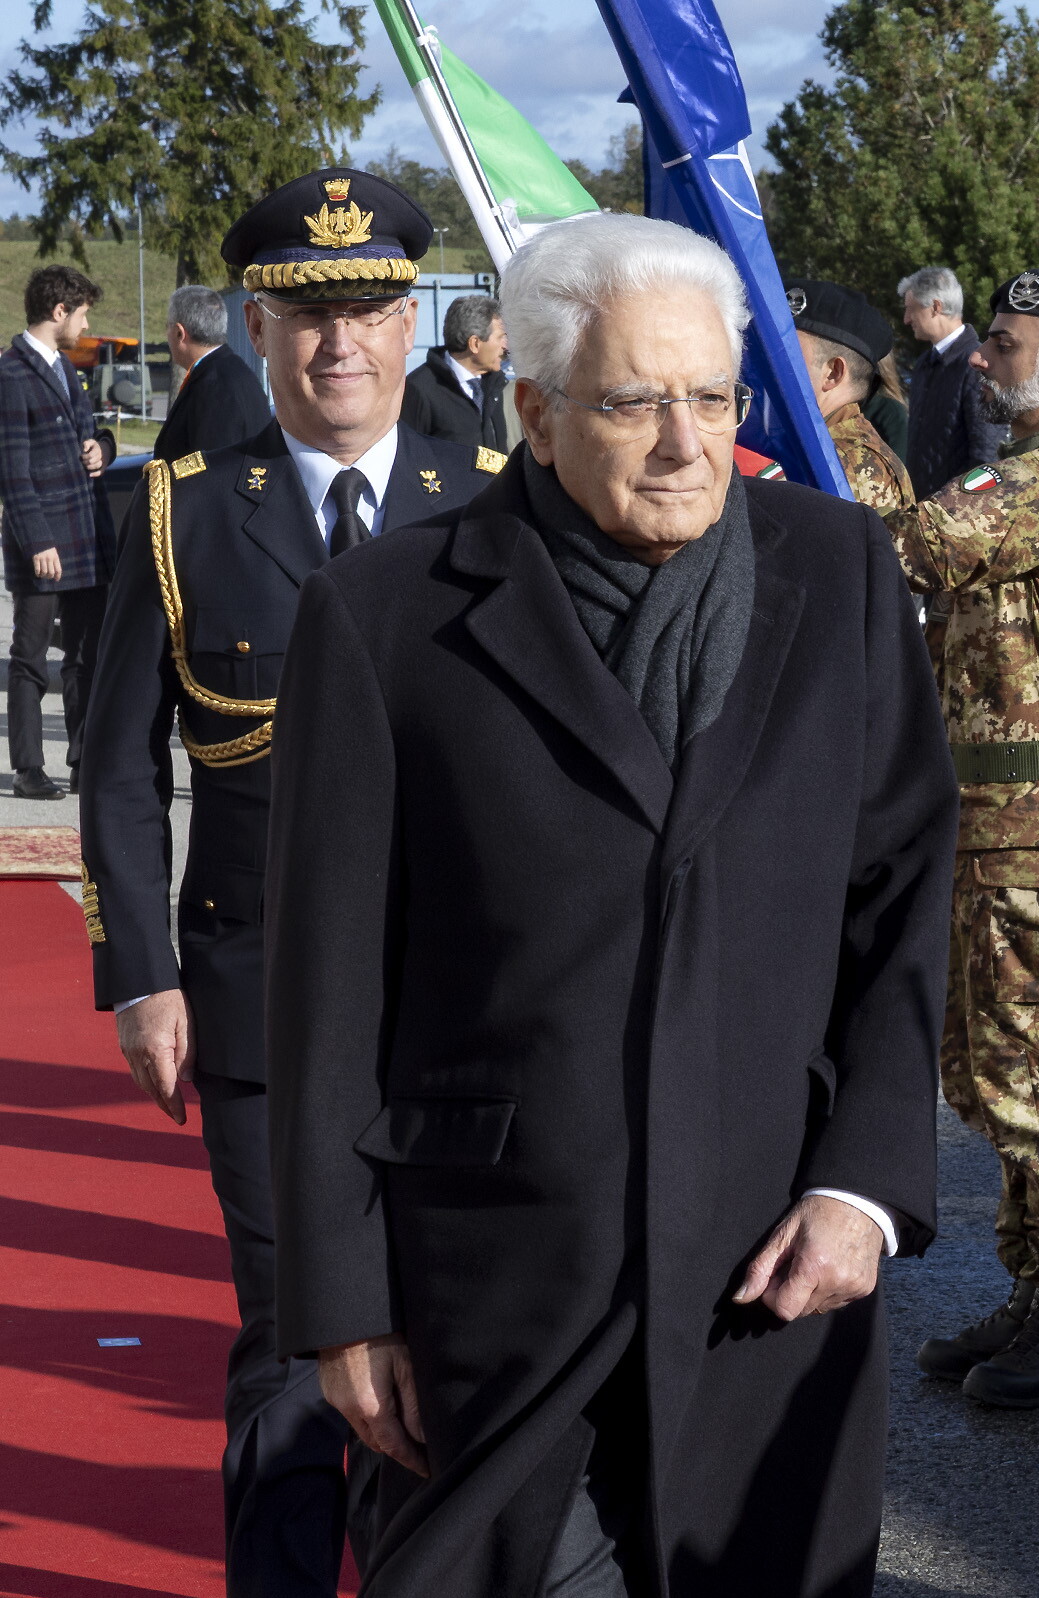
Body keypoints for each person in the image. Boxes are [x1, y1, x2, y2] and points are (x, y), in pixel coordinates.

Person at [263, 210, 954, 1597]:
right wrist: (343, 1305)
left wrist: (866, 1183)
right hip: (495, 1287)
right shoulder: (385, 611)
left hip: (766, 1279)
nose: (685, 441)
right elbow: (327, 984)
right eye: (635, 402)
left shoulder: (836, 571)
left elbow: (900, 897)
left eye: (710, 396)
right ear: (532, 406)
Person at [77, 167, 498, 1598]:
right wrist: (139, 968)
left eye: (372, 312)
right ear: (257, 331)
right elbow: (121, 761)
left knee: (443, 1327)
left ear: (411, 321)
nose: (341, 346)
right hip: (256, 993)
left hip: (464, 1008)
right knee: (291, 1336)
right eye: (307, 316)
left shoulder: (487, 503)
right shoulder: (180, 514)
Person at [881, 270, 1039, 1409]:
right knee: (984, 1067)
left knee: (1035, 1070)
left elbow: (911, 545)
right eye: (984, 340)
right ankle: (1036, 1286)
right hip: (988, 818)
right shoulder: (1030, 473)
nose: (982, 360)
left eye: (1004, 343)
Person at [2, 263, 108, 800]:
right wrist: (37, 538)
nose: (86, 325)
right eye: (83, 312)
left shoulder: (66, 367)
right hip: (43, 542)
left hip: (83, 537)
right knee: (30, 658)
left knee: (85, 656)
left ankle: (83, 758)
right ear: (59, 311)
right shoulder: (12, 373)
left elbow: (93, 431)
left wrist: (103, 448)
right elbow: (12, 472)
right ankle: (27, 768)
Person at [788, 277, 914, 512]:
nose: (771, 361)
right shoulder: (814, 442)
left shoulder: (854, 468)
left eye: (789, 353)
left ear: (833, 373)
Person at [900, 265, 1002, 496]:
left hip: (955, 516)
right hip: (923, 510)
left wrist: (961, 508)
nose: (906, 319)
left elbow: (986, 453)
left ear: (935, 307)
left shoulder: (976, 366)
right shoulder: (924, 364)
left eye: (911, 309)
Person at [152, 283, 273, 462]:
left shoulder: (215, 387)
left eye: (167, 327)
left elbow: (211, 475)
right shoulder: (231, 371)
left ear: (179, 333)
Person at [400, 293, 509, 451]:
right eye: (500, 338)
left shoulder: (494, 386)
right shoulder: (419, 389)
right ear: (475, 344)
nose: (505, 346)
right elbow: (408, 454)